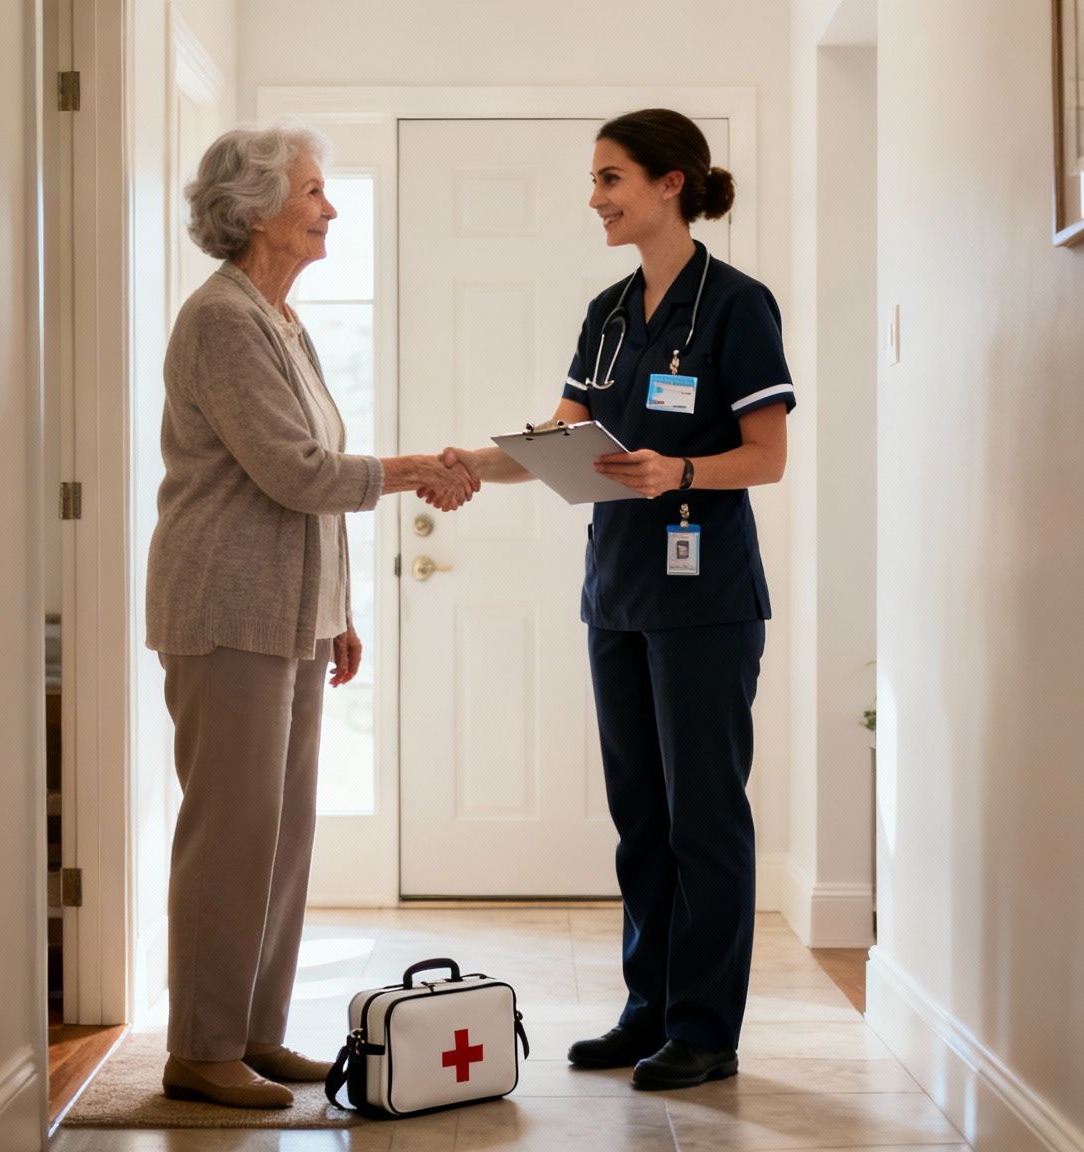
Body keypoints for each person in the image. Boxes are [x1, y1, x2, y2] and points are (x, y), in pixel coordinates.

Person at [445, 108, 793, 1091]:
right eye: (595, 182)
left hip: (705, 598)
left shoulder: (736, 305)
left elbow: (765, 458)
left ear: (670, 183)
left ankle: (703, 1029)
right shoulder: (605, 312)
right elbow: (561, 438)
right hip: (616, 597)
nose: (594, 198)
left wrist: (676, 468)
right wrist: (465, 463)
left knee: (703, 818)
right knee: (640, 815)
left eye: (610, 179)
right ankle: (646, 1012)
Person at [145, 122, 477, 1109]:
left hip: (284, 615)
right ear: (256, 210)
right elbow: (294, 473)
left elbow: (298, 481)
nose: (328, 208)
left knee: (281, 838)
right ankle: (198, 1049)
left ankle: (249, 1032)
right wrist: (415, 470)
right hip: (224, 612)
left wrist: (333, 610)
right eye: (313, 191)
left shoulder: (279, 320)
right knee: (230, 834)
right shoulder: (220, 320)